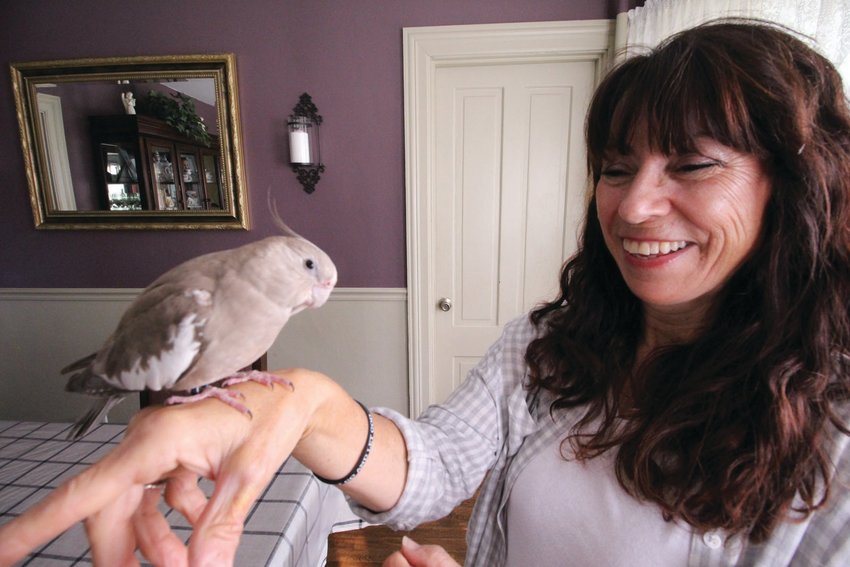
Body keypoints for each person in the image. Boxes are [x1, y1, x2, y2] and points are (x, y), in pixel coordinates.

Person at [2, 18, 850, 566]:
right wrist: (296, 400)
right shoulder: (549, 345)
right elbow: (440, 460)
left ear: (797, 187)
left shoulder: (834, 448)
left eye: (692, 163)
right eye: (615, 167)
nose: (631, 205)